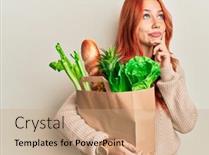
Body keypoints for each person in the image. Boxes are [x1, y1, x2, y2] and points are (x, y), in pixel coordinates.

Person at [54, 0, 198, 155]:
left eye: (160, 16)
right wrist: (103, 144)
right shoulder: (114, 71)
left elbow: (186, 124)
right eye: (146, 16)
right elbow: (62, 117)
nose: (156, 23)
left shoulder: (172, 69)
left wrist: (166, 71)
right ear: (130, 23)